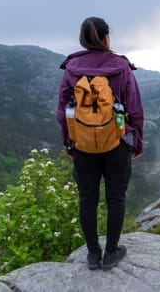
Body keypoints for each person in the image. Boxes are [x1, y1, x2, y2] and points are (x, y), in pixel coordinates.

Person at [56, 17, 144, 270]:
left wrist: (69, 143)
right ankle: (112, 252)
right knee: (116, 198)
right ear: (107, 38)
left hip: (82, 145)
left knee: (87, 198)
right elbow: (135, 109)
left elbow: (63, 112)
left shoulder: (71, 68)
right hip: (116, 143)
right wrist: (136, 142)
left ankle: (93, 254)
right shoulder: (121, 67)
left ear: (82, 39)